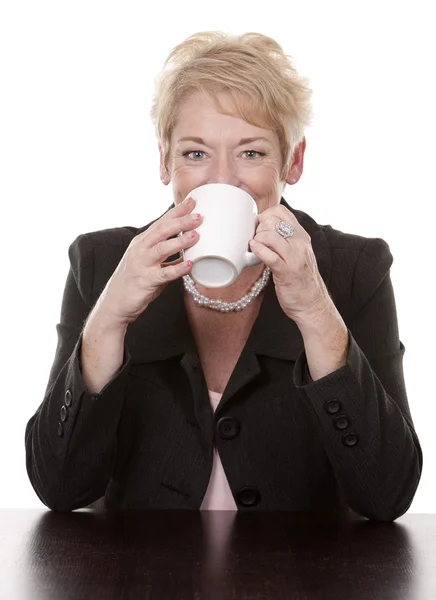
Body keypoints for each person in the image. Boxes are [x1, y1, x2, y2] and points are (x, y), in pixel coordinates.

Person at [25, 31, 422, 520]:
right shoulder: (101, 263)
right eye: (195, 153)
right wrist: (108, 318)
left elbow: (387, 497)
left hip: (300, 579)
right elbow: (59, 487)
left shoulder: (354, 270)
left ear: (293, 161)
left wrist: (317, 312)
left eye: (251, 153)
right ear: (165, 160)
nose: (221, 179)